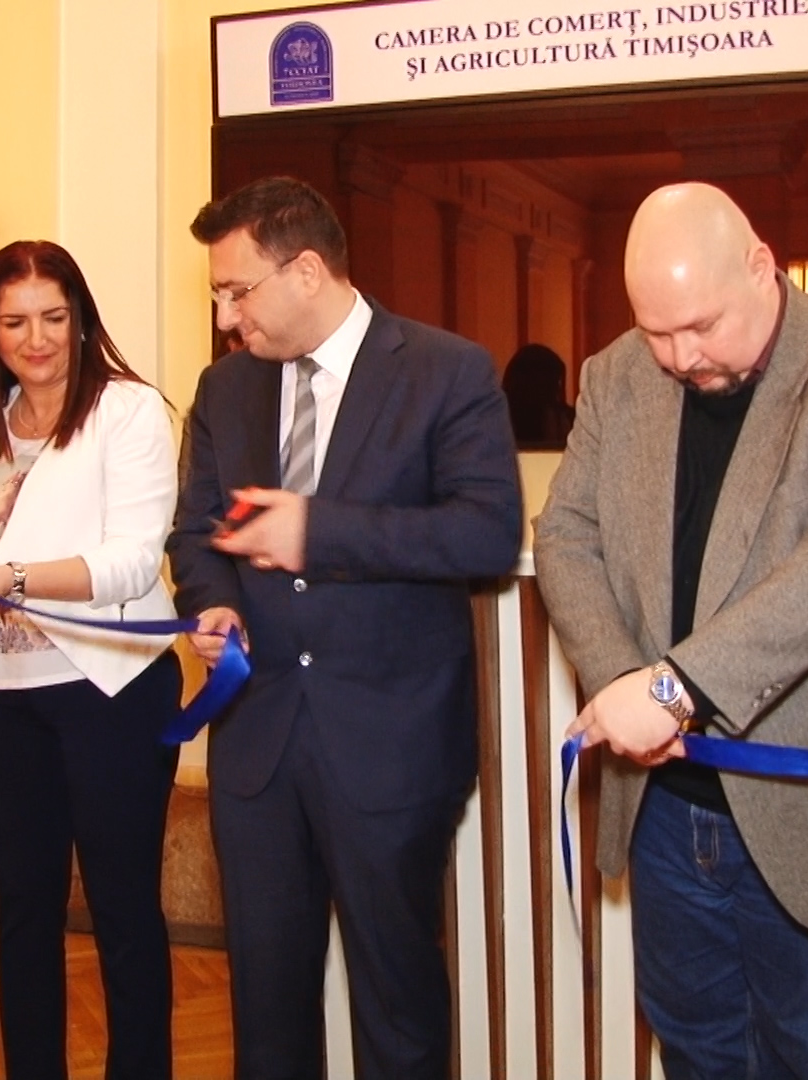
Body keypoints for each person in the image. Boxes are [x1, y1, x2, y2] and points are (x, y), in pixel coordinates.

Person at [534, 182, 808, 1079]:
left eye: (703, 325)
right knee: (694, 1055)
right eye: (656, 330)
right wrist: (621, 682)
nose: (681, 356)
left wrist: (674, 688)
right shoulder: (617, 375)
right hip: (666, 809)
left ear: (761, 267)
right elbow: (565, 534)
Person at [168, 175, 522, 1078]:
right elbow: (194, 534)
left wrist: (316, 533)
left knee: (397, 1011)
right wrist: (212, 602)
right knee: (267, 1017)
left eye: (237, 291)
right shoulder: (224, 389)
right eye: (217, 295)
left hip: (390, 747)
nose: (225, 317)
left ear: (306, 272)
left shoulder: (446, 371)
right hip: (258, 748)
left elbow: (485, 531)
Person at [0, 240, 182, 1080]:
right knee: (24, 912)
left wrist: (13, 579)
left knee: (122, 908)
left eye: (52, 317)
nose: (35, 339)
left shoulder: (128, 411)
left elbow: (132, 563)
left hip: (111, 689)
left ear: (80, 320)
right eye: (14, 322)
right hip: (8, 699)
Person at [502, 342, 575, 449]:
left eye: (557, 381)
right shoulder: (500, 419)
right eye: (551, 381)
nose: (557, 388)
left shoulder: (566, 417)